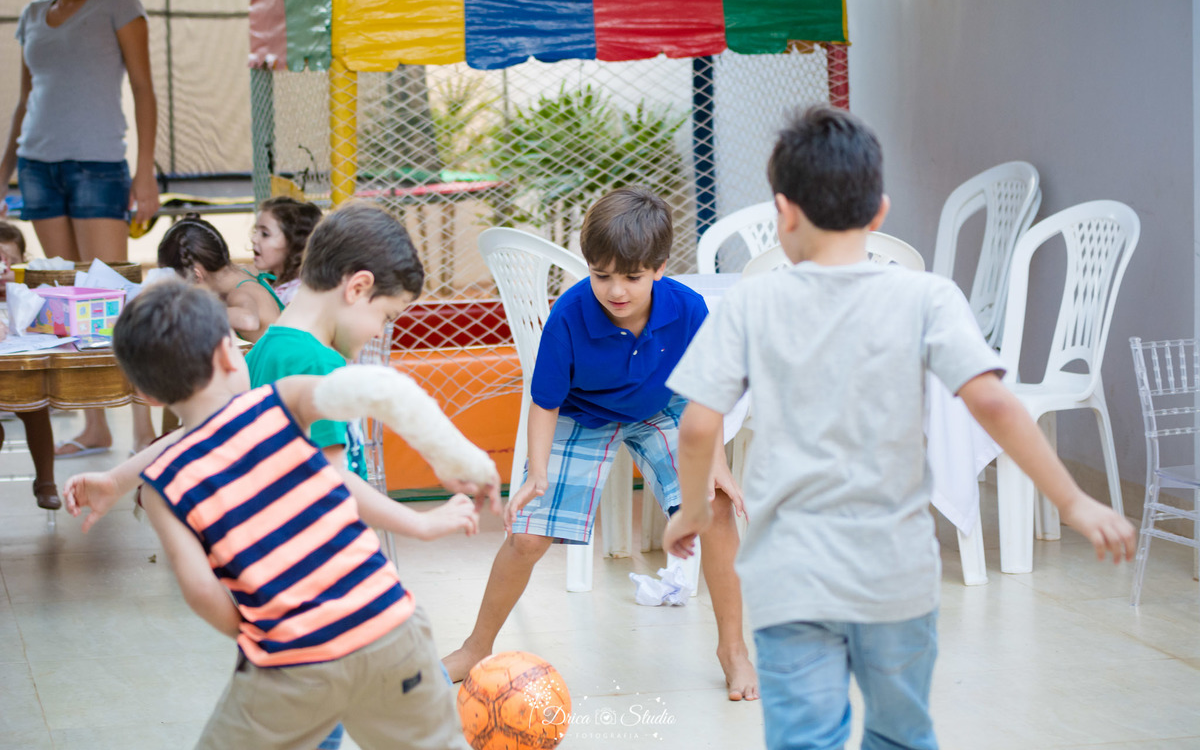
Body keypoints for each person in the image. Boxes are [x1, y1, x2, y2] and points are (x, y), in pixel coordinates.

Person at [662, 105, 1137, 750]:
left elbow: (696, 427)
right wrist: (1073, 500)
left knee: (804, 736)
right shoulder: (928, 297)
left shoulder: (751, 301)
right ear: (879, 211)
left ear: (784, 212)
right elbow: (995, 405)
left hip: (791, 575)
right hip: (895, 573)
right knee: (900, 731)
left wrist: (692, 509)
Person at [82, 279, 495, 748]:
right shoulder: (283, 400)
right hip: (390, 629)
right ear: (226, 353)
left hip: (291, 659)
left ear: (149, 395)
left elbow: (199, 591)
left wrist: (259, 633)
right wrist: (459, 463)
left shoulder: (163, 486)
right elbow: (379, 391)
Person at [441, 186, 759, 701]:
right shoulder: (569, 315)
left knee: (717, 507)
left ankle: (733, 649)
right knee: (527, 536)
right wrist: (538, 472)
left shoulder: (689, 308)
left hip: (666, 407)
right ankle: (477, 645)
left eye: (631, 277)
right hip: (583, 415)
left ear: (657, 268)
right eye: (601, 274)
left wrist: (715, 462)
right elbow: (544, 401)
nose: (615, 290)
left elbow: (709, 388)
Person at [247, 200, 474, 750]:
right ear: (357, 287)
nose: (379, 332)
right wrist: (420, 523)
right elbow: (330, 485)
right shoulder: (319, 367)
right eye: (386, 316)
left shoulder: (269, 350)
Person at [1, 0, 159, 459]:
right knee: (62, 293)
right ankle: (95, 428)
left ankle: (143, 428)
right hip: (36, 165)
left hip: (98, 164)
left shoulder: (118, 1)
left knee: (114, 290)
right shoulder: (30, 15)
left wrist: (145, 173)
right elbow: (26, 100)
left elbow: (143, 88)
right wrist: (4, 171)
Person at [0, 222, 59, 508]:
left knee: (36, 407)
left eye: (10, 262)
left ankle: (46, 480)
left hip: (22, 369)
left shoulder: (30, 294)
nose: (4, 270)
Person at [157, 214, 283, 344]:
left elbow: (248, 320)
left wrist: (189, 311)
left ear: (196, 275)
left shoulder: (239, 293)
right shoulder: (246, 270)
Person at [250, 196, 323, 307]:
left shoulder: (297, 295)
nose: (254, 239)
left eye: (265, 234)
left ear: (294, 242)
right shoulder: (273, 284)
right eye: (256, 231)